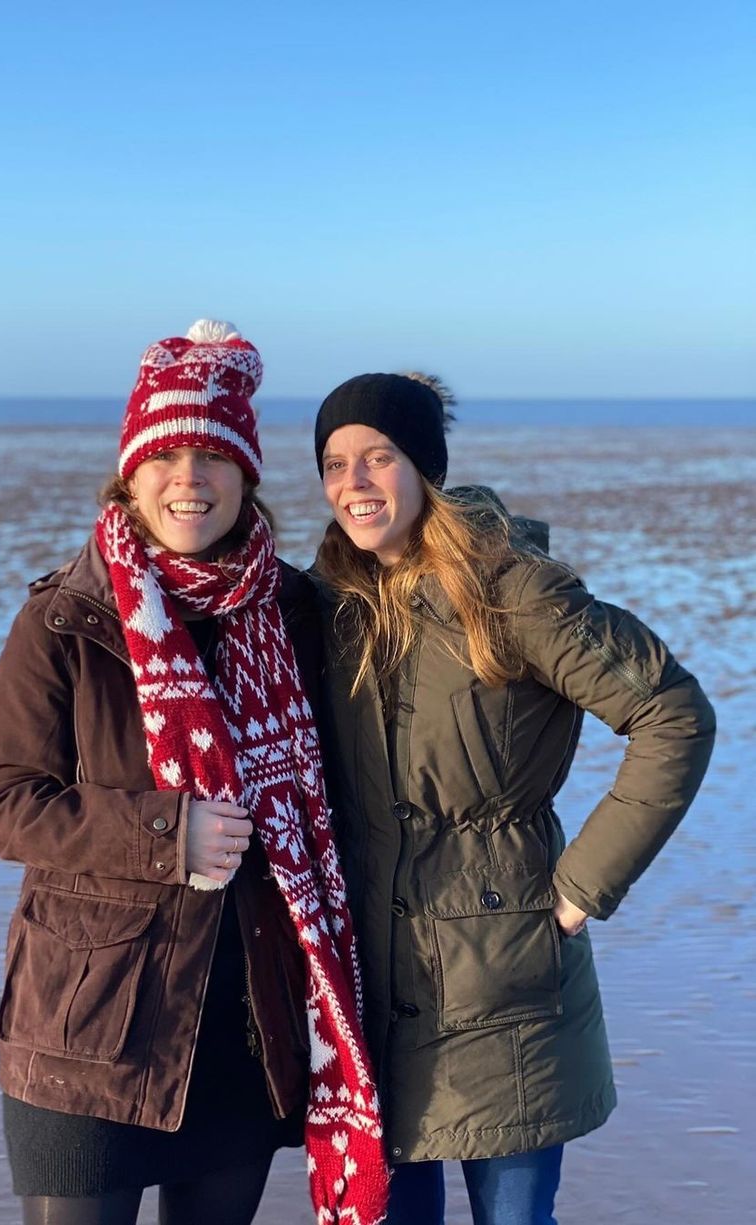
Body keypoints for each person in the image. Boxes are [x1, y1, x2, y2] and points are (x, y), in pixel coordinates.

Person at [0, 323, 388, 1225]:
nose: (189, 478)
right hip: (92, 1025)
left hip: (247, 1025)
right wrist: (167, 830)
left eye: (213, 455)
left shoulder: (300, 615)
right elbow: (4, 803)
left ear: (247, 476)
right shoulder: (65, 620)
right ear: (131, 472)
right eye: (165, 454)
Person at [310, 373, 716, 1225]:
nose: (354, 482)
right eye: (335, 462)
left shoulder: (510, 587)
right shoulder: (328, 604)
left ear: (424, 467)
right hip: (373, 979)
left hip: (508, 973)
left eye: (378, 457)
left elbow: (672, 714)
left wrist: (580, 887)